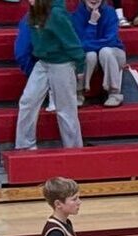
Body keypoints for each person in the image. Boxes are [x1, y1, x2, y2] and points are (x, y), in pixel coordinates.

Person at [13, 0, 84, 149]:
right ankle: (25, 145)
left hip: (62, 63)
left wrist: (80, 67)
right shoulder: (32, 13)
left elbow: (71, 42)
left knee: (66, 110)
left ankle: (74, 149)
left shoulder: (56, 14)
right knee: (27, 101)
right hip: (42, 62)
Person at [73, 0, 129, 107]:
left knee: (105, 51)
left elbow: (111, 40)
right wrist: (92, 23)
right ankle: (78, 93)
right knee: (90, 55)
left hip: (114, 53)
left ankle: (114, 94)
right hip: (91, 54)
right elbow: (79, 44)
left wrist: (89, 45)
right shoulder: (76, 15)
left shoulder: (110, 12)